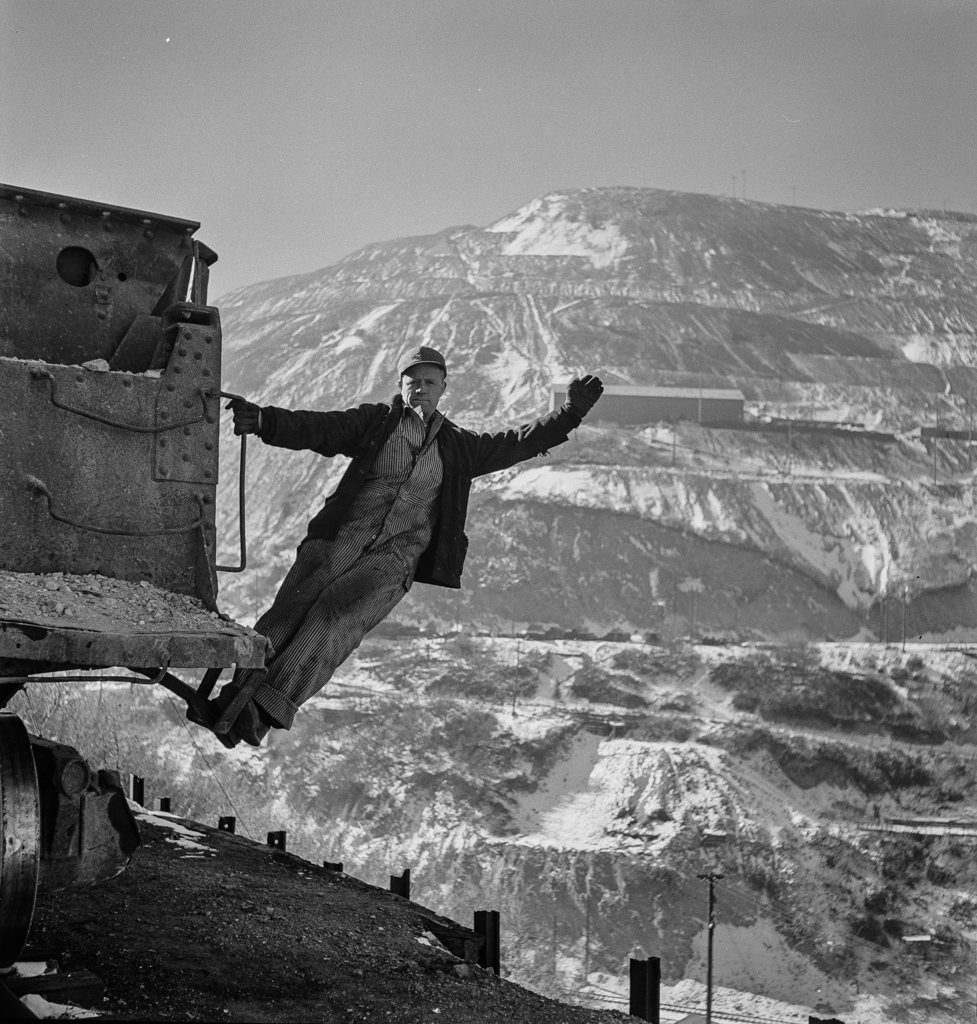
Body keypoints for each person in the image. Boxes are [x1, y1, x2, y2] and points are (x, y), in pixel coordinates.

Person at [197, 346, 603, 746]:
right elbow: (321, 428)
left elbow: (517, 443)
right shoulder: (378, 422)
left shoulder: (460, 446)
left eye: (429, 382)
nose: (421, 389)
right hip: (342, 536)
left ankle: (260, 713)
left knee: (336, 617)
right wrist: (266, 421)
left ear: (444, 387)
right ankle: (237, 701)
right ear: (401, 386)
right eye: (413, 382)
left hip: (395, 556)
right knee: (289, 613)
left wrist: (569, 415)